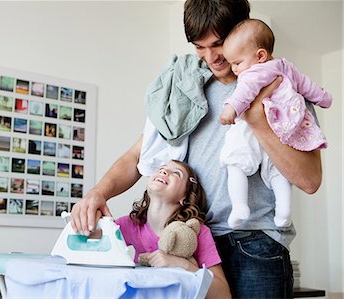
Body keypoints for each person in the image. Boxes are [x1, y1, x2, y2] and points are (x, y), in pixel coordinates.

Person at [70, 0, 323, 298]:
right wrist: (97, 194)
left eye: (218, 44)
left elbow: (310, 180)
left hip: (255, 244)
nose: (211, 58)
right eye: (199, 47)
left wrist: (257, 120)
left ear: (240, 31)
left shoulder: (281, 88)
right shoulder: (187, 91)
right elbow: (136, 156)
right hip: (192, 240)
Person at [219, 19, 332, 229]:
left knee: (235, 158)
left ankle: (240, 205)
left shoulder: (251, 74)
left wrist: (230, 110)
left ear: (260, 55)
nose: (233, 69)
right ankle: (284, 213)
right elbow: (306, 85)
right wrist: (323, 98)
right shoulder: (285, 66)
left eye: (237, 62)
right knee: (278, 172)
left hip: (259, 122)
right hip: (286, 124)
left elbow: (243, 94)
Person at [115, 159, 231, 299]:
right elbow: (93, 238)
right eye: (161, 168)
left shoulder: (197, 231)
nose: (164, 171)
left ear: (185, 197)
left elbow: (223, 294)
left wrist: (181, 264)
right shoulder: (132, 224)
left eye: (176, 173)